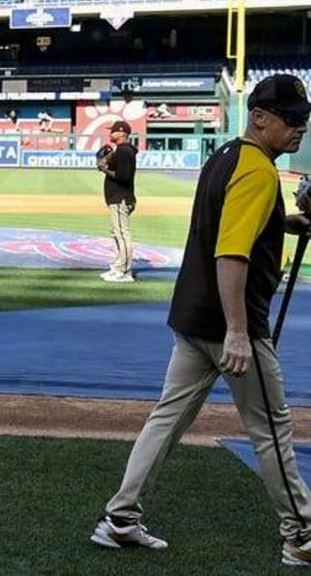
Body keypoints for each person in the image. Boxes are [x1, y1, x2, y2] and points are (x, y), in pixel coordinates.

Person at [92, 74, 311, 565]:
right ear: (260, 117)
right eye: (292, 119)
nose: (300, 128)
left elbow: (226, 224)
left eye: (305, 119)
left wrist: (284, 222)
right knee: (272, 429)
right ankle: (301, 534)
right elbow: (231, 252)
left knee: (166, 420)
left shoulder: (228, 156)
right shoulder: (257, 171)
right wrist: (237, 329)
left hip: (192, 316)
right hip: (230, 325)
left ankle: (121, 517)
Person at [98, 120, 139, 282]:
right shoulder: (121, 151)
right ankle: (118, 267)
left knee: (122, 234)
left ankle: (125, 272)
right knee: (117, 233)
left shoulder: (124, 152)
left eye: (113, 131)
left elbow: (123, 176)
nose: (111, 133)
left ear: (122, 133)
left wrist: (104, 169)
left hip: (120, 198)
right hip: (118, 198)